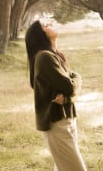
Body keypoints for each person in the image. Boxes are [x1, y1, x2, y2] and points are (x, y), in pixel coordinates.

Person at [25, 20, 87, 171]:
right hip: (56, 123)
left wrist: (68, 97)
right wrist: (74, 84)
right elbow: (70, 85)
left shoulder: (55, 55)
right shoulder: (45, 57)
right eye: (45, 25)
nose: (50, 24)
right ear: (41, 35)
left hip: (66, 118)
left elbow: (74, 81)